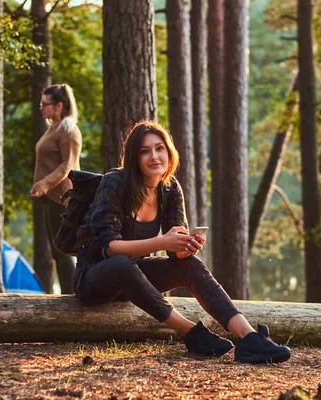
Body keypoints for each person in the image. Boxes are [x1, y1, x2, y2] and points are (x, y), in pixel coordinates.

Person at [73, 120, 291, 364]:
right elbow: (109, 247)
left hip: (135, 279)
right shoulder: (115, 183)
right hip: (95, 279)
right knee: (122, 264)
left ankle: (249, 338)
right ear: (134, 157)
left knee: (192, 266)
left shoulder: (170, 188)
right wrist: (162, 242)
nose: (154, 156)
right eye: (145, 151)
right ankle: (191, 333)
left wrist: (188, 246)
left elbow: (175, 254)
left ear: (169, 152)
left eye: (159, 148)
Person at [31, 84, 82, 294]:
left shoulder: (69, 130)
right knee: (56, 250)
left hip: (63, 198)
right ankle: (66, 297)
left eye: (45, 104)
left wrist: (44, 184)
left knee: (64, 250)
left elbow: (67, 165)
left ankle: (72, 297)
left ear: (59, 105)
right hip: (50, 199)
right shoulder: (53, 128)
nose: (41, 107)